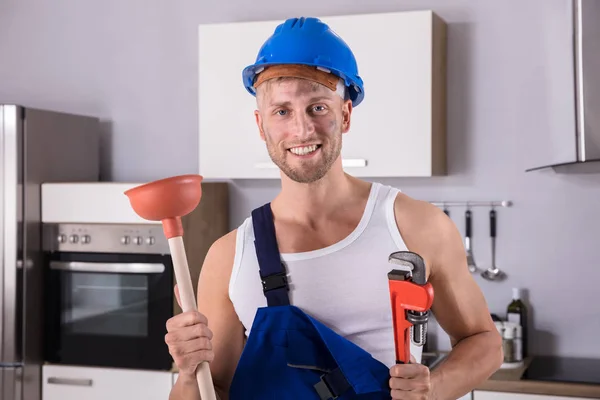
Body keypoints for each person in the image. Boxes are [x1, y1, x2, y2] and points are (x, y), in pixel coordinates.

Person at [166, 16, 503, 400]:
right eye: (282, 112)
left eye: (318, 108)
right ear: (261, 126)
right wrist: (190, 374)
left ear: (344, 114)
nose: (302, 130)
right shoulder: (228, 256)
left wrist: (434, 388)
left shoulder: (414, 225)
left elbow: (485, 343)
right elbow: (218, 389)